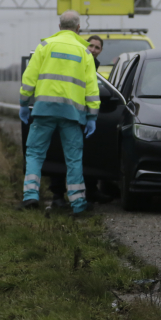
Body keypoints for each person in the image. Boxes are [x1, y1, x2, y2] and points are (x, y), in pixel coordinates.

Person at [18, 10, 100, 216]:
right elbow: (92, 88)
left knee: (35, 153)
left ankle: (30, 196)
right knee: (73, 158)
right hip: (72, 114)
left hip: (44, 110)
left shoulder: (44, 47)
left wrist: (23, 102)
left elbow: (29, 78)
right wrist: (92, 116)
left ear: (59, 27)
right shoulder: (85, 53)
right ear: (78, 28)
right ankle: (78, 204)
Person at [48, 33, 113, 207]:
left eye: (97, 47)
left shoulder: (95, 65)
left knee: (88, 153)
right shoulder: (73, 61)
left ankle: (90, 191)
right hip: (64, 112)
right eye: (90, 45)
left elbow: (92, 90)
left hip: (81, 115)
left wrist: (91, 115)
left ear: (100, 51)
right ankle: (58, 196)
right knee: (59, 154)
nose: (93, 49)